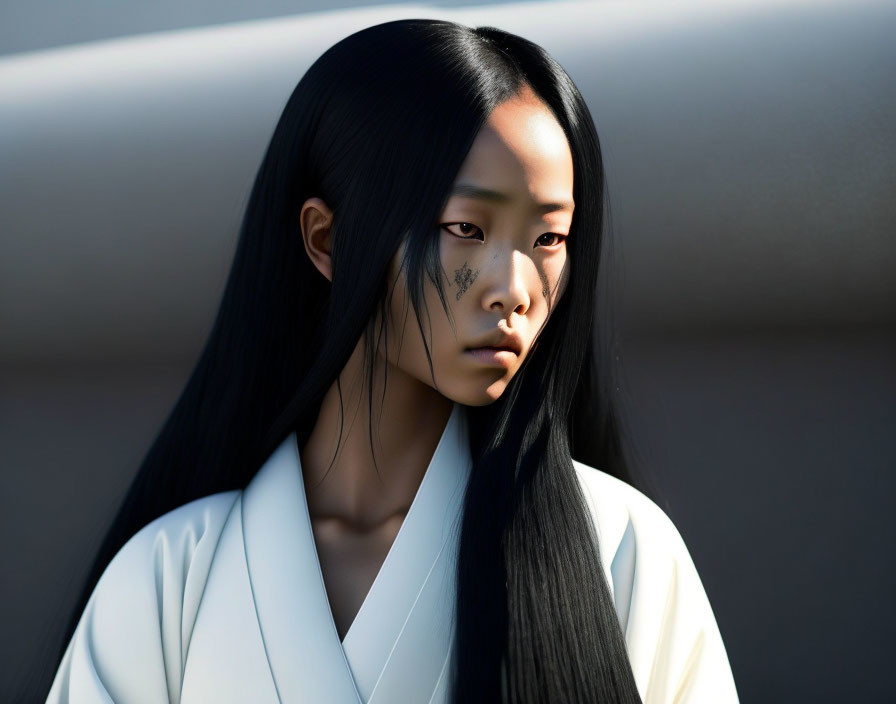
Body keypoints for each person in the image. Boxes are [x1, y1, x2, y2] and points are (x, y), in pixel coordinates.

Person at [45, 18, 739, 703]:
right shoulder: (170, 579)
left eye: (549, 238)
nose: (515, 290)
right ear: (327, 239)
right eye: (465, 229)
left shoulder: (624, 550)